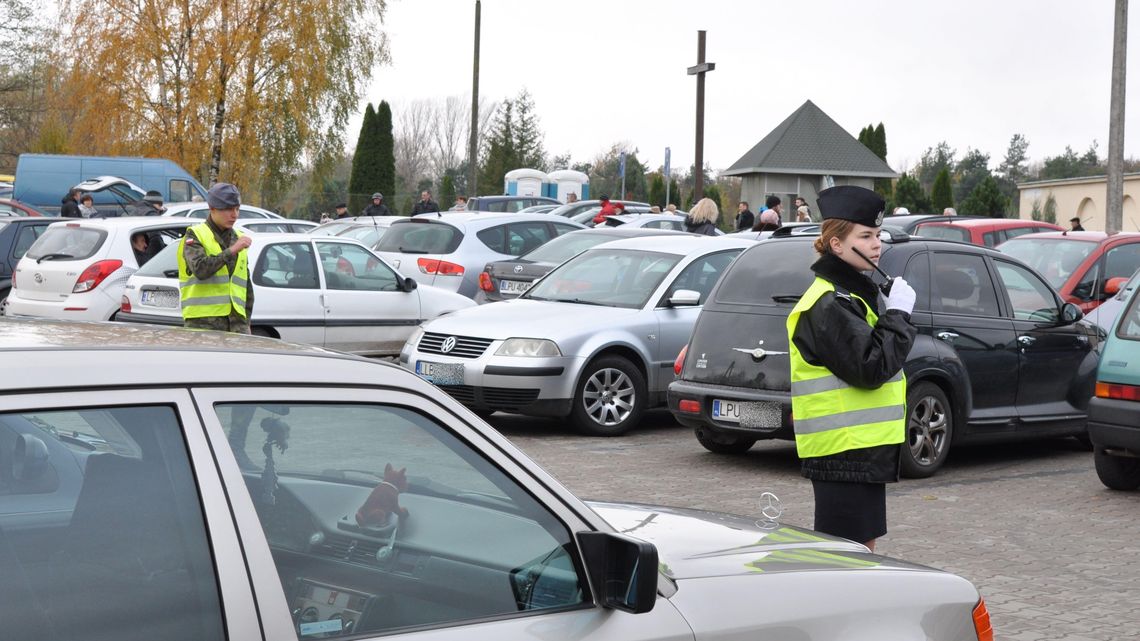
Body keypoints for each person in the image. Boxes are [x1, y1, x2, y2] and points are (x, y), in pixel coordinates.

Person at [785, 185, 917, 553]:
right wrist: (898, 315)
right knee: (846, 561)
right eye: (865, 236)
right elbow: (871, 368)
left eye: (878, 235)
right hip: (842, 452)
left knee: (861, 554)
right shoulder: (828, 303)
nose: (877, 244)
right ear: (836, 244)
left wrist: (890, 312)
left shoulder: (851, 296)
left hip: (859, 451)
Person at [178, 182, 254, 334]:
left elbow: (246, 287)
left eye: (237, 209)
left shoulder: (238, 237)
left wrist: (246, 322)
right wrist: (232, 250)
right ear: (212, 208)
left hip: (237, 325)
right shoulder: (195, 235)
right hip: (203, 324)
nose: (234, 215)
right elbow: (200, 270)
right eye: (228, 209)